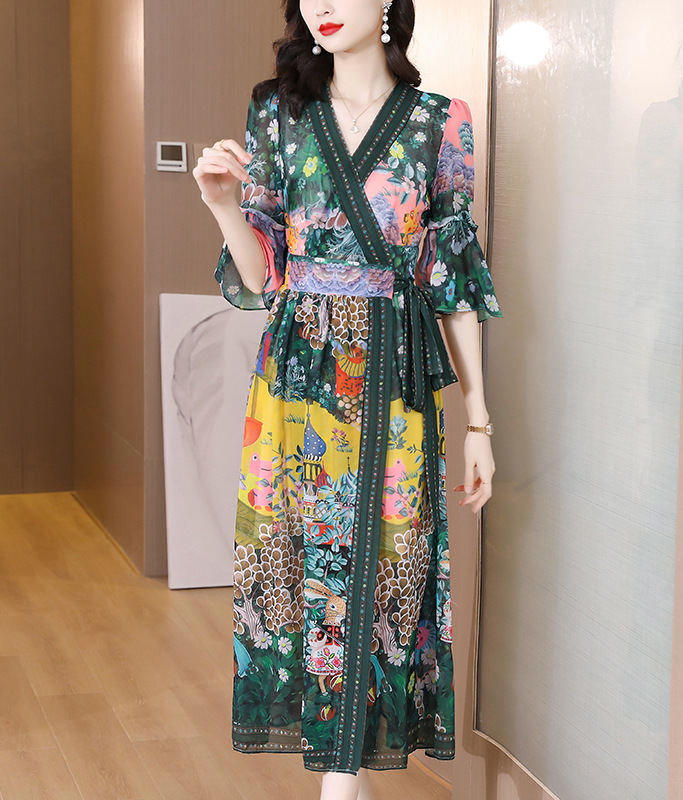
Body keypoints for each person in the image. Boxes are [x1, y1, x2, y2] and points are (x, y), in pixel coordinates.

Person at [192, 1, 501, 797]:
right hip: (299, 375)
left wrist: (478, 421)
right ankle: (342, 776)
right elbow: (262, 277)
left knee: (387, 558)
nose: (324, 3)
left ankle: (344, 775)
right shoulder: (278, 113)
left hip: (394, 371)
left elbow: (452, 282)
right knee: (300, 557)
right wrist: (222, 202)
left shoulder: (442, 121)